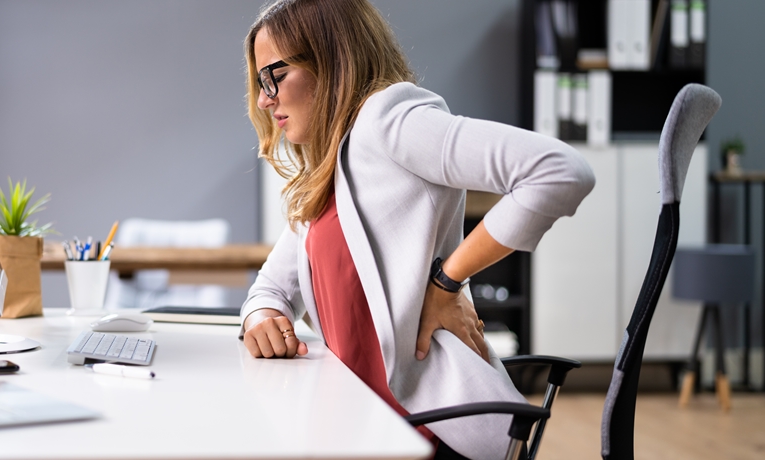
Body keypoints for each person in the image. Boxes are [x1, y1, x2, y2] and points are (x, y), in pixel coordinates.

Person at [238, 0, 595, 458]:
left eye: (274, 76)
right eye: (260, 83)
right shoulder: (330, 174)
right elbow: (269, 287)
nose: (265, 99)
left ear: (330, 60)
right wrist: (261, 317)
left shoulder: (388, 119)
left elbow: (560, 170)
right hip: (362, 430)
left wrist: (447, 282)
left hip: (434, 434)